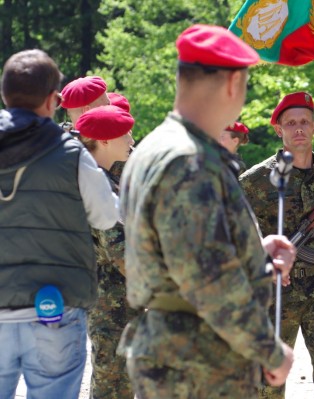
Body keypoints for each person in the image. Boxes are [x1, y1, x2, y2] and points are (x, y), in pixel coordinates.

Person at [117, 24, 295, 398]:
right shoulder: (189, 160)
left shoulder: (154, 148)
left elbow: (179, 254)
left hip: (182, 354)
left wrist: (252, 255)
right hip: (200, 363)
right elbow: (208, 280)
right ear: (233, 84)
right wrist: (269, 349)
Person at [0, 49, 119, 399]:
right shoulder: (71, 152)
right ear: (54, 100)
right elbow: (106, 216)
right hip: (54, 308)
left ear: (5, 96)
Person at [240, 92, 314, 399]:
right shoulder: (256, 180)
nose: (298, 128)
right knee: (269, 374)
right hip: (276, 290)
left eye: (304, 121)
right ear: (279, 129)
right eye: (291, 123)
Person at [76, 105, 139, 398]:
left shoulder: (107, 178)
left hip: (123, 302)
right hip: (111, 307)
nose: (131, 140)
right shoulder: (95, 184)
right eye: (124, 134)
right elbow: (122, 254)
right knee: (113, 386)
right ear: (103, 141)